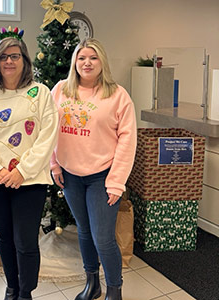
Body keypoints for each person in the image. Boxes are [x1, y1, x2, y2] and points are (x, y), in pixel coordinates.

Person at [0, 27, 59, 300]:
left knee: (26, 241)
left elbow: (47, 136)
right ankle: (12, 287)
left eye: (15, 56)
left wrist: (21, 171)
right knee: (4, 238)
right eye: (3, 56)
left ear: (25, 60)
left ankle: (26, 290)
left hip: (30, 181)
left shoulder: (39, 93)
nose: (9, 61)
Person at [50, 38, 137, 300]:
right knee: (85, 232)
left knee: (103, 237)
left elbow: (128, 139)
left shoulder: (117, 95)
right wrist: (54, 164)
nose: (86, 62)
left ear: (102, 62)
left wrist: (116, 181)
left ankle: (114, 290)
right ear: (74, 62)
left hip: (102, 177)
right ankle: (92, 284)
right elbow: (49, 130)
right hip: (71, 175)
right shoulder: (61, 90)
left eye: (93, 58)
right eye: (81, 57)